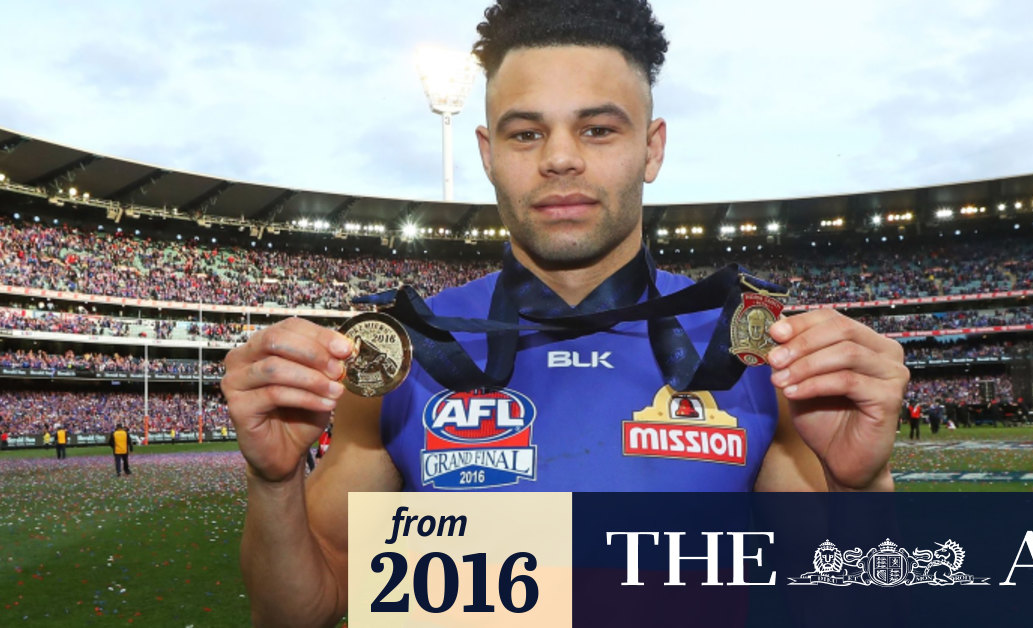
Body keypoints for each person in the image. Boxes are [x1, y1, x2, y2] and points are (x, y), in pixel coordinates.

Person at [220, 2, 908, 625]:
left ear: (653, 147)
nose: (559, 159)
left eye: (598, 128)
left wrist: (864, 483)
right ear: (489, 154)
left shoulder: (752, 353)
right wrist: (275, 480)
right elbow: (308, 609)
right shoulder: (409, 350)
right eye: (525, 134)